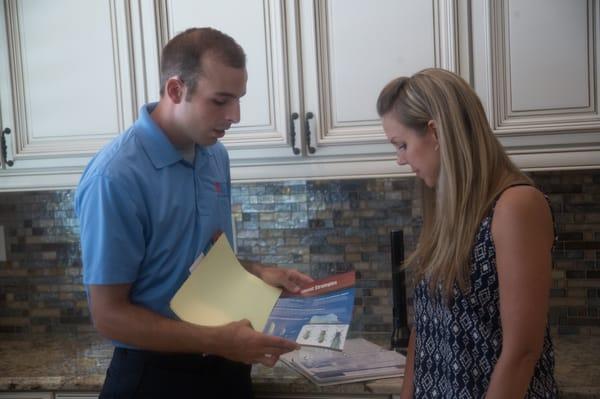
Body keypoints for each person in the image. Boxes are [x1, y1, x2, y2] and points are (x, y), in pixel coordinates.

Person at [75, 27, 313, 398]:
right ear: (175, 90)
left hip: (226, 368)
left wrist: (258, 273)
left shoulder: (215, 154)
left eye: (238, 99)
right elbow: (109, 316)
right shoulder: (116, 176)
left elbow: (203, 258)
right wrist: (218, 340)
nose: (234, 115)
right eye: (220, 101)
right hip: (155, 377)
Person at [377, 68, 558, 398]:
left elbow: (522, 353)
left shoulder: (516, 206)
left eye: (402, 144)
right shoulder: (449, 209)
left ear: (434, 133)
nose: (400, 159)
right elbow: (426, 327)